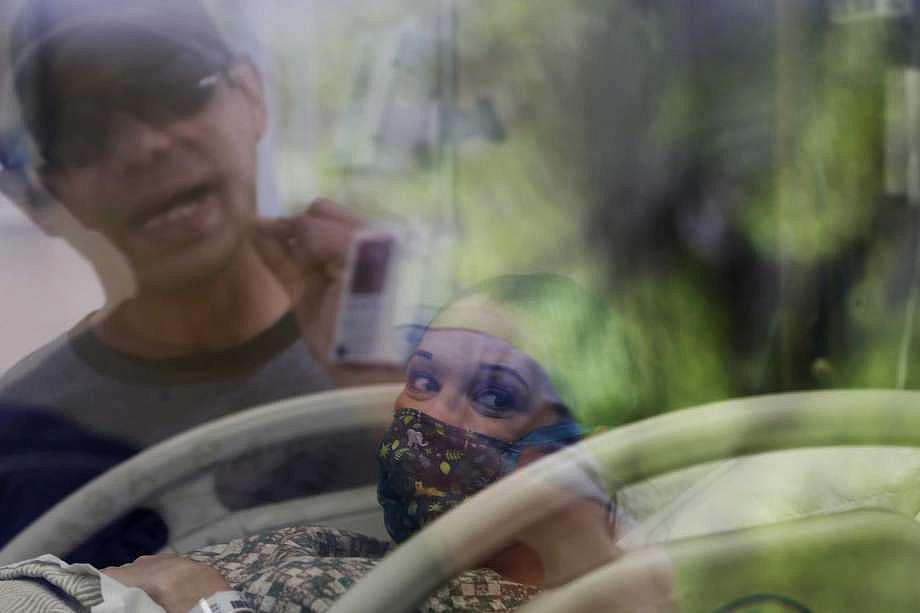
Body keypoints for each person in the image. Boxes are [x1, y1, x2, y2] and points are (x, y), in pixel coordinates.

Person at [96, 273, 634, 612]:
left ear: (587, 454)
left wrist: (213, 607)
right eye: (423, 381)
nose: (428, 418)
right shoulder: (354, 552)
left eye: (494, 397)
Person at [0, 0, 393, 449]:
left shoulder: (431, 373)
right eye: (84, 134)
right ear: (57, 193)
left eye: (176, 87)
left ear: (251, 95)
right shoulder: (22, 441)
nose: (144, 147)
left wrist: (385, 397)